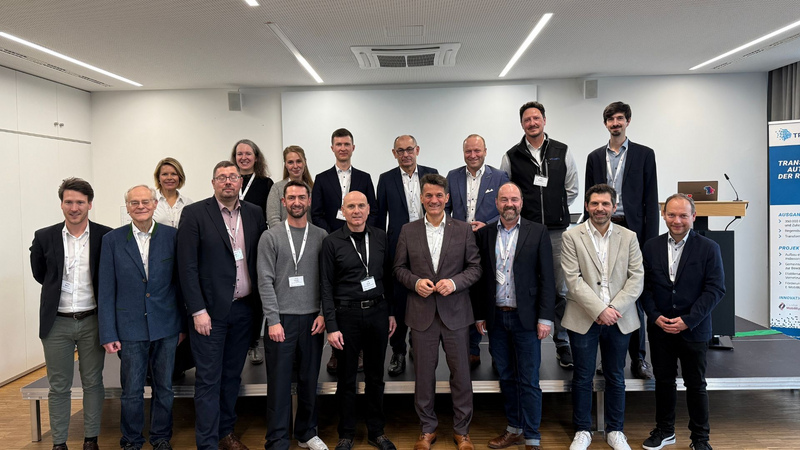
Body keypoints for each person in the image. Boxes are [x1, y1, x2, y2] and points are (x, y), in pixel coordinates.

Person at [176, 161, 267, 450]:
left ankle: (225, 432)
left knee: (231, 377)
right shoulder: (194, 213)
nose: (228, 182)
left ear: (240, 182)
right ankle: (207, 443)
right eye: (222, 177)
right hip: (209, 313)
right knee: (208, 379)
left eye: (233, 177)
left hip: (244, 310)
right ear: (213, 183)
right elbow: (186, 266)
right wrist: (197, 310)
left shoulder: (254, 213)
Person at [393, 173, 482, 450]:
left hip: (456, 313)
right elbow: (398, 268)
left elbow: (475, 268)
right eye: (429, 195)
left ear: (447, 198)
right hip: (421, 315)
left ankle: (462, 431)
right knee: (423, 376)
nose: (434, 200)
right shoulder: (408, 230)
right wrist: (415, 282)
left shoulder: (463, 230)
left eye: (439, 195)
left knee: (461, 375)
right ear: (421, 198)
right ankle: (427, 429)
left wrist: (454, 283)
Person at [98, 185, 184, 450]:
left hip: (166, 326)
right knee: (132, 391)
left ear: (155, 204)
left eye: (145, 201)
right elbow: (106, 289)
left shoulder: (173, 236)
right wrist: (108, 332)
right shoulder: (112, 240)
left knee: (164, 388)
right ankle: (132, 440)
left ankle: (161, 437)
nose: (140, 206)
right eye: (134, 203)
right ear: (127, 207)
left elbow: (180, 284)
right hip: (130, 327)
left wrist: (182, 325)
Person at [30, 177, 112, 450]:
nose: (74, 208)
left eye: (80, 202)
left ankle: (91, 440)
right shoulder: (44, 237)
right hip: (56, 323)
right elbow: (41, 274)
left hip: (93, 320)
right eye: (69, 202)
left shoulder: (106, 236)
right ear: (61, 204)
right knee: (58, 386)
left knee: (93, 382)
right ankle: (59, 443)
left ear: (90, 204)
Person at [561, 184, 643, 450]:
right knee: (582, 376)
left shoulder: (629, 236)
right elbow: (573, 280)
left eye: (605, 204)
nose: (600, 208)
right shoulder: (571, 236)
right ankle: (582, 430)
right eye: (595, 203)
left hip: (619, 317)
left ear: (614, 206)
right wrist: (599, 310)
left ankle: (615, 430)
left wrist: (613, 309)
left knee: (616, 376)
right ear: (587, 206)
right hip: (583, 316)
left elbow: (636, 278)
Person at [473, 182, 555, 450]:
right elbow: (480, 279)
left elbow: (547, 277)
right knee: (506, 377)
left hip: (527, 319)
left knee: (529, 379)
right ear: (496, 203)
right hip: (496, 318)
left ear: (521, 202)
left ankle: (532, 436)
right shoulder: (485, 234)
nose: (509, 204)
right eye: (504, 199)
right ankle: (514, 428)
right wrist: (480, 315)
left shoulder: (538, 231)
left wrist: (545, 318)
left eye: (514, 199)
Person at [640, 194, 724, 450]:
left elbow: (715, 289)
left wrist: (688, 320)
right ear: (664, 215)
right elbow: (644, 288)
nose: (677, 220)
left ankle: (700, 439)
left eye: (683, 215)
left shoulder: (709, 248)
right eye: (671, 215)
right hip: (661, 328)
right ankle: (665, 431)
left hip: (694, 330)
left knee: (696, 385)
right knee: (663, 382)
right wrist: (655, 316)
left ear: (693, 217)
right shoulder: (650, 247)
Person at [500, 101, 579, 369]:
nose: (532, 123)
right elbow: (507, 193)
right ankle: (523, 339)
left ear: (544, 120)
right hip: (525, 233)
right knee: (524, 285)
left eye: (536, 118)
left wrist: (556, 209)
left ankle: (562, 341)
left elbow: (572, 189)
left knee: (560, 288)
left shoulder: (562, 151)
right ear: (521, 124)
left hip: (556, 232)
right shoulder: (511, 156)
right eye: (527, 120)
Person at [585, 101, 658, 380]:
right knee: (602, 293)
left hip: (632, 230)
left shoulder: (644, 154)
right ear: (605, 124)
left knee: (633, 295)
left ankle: (638, 358)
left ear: (627, 121)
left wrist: (649, 242)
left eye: (619, 118)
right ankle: (606, 358)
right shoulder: (594, 157)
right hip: (602, 227)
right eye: (610, 119)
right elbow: (589, 199)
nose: (615, 123)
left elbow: (650, 199)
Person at [320, 191, 397, 450]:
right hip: (346, 316)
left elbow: (388, 277)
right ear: (343, 210)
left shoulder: (380, 237)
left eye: (361, 206)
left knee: (376, 376)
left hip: (377, 312)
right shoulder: (331, 242)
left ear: (368, 209)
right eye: (351, 206)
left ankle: (377, 431)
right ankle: (346, 433)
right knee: (346, 378)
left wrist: (390, 312)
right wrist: (332, 326)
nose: (356, 211)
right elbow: (326, 286)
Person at [258, 180, 329, 450]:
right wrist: (273, 320)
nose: (297, 202)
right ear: (283, 202)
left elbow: (326, 281)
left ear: (309, 201)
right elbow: (265, 281)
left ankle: (306, 433)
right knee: (279, 384)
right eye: (291, 198)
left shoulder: (321, 236)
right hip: (282, 321)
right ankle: (277, 439)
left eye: (301, 197)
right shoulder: (271, 236)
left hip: (312, 320)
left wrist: (323, 313)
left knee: (309, 381)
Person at [312, 127, 378, 373]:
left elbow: (373, 210)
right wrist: (334, 237)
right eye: (338, 144)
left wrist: (362, 232)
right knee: (337, 293)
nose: (342, 148)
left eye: (346, 144)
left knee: (359, 290)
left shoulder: (364, 177)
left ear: (353, 147)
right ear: (332, 148)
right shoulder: (321, 178)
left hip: (361, 242)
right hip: (334, 243)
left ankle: (359, 350)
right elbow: (316, 213)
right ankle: (336, 351)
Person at [376, 134, 438, 376]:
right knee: (400, 298)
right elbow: (380, 217)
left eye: (409, 149)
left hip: (428, 243)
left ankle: (417, 344)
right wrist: (380, 249)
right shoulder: (386, 179)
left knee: (424, 295)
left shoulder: (431, 173)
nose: (405, 154)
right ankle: (398, 350)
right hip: (398, 246)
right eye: (400, 150)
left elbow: (440, 206)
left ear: (417, 150)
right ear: (394, 154)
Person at [447, 133, 509, 369]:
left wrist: (489, 225)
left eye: (477, 151)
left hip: (489, 240)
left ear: (485, 152)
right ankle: (472, 348)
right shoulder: (452, 176)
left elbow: (507, 208)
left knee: (489, 292)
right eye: (468, 151)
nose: (473, 155)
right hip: (460, 244)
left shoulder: (499, 176)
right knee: (467, 295)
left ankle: (496, 351)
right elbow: (446, 209)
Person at [231, 138, 274, 366]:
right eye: (239, 154)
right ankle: (235, 340)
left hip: (255, 245)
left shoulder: (265, 184)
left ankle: (254, 342)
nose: (244, 157)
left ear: (256, 157)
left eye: (248, 153)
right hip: (230, 245)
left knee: (257, 293)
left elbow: (268, 216)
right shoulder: (229, 181)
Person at [266, 146, 315, 228]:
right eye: (290, 162)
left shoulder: (313, 189)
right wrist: (285, 234)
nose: (295, 166)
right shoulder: (277, 188)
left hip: (308, 234)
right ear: (285, 164)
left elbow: (316, 218)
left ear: (305, 162)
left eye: (299, 161)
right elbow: (273, 218)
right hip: (282, 235)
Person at [153, 157, 193, 228]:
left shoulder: (188, 203)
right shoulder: (150, 202)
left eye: (174, 174)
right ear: (158, 178)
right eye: (165, 174)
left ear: (180, 177)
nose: (169, 178)